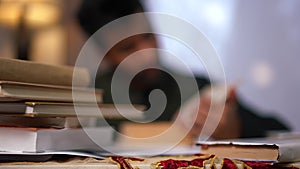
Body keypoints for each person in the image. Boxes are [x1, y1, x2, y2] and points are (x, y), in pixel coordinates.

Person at [76, 0, 289, 140]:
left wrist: (237, 129)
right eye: (128, 48)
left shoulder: (199, 87)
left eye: (149, 36)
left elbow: (281, 130)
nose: (148, 53)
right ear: (105, 54)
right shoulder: (83, 102)